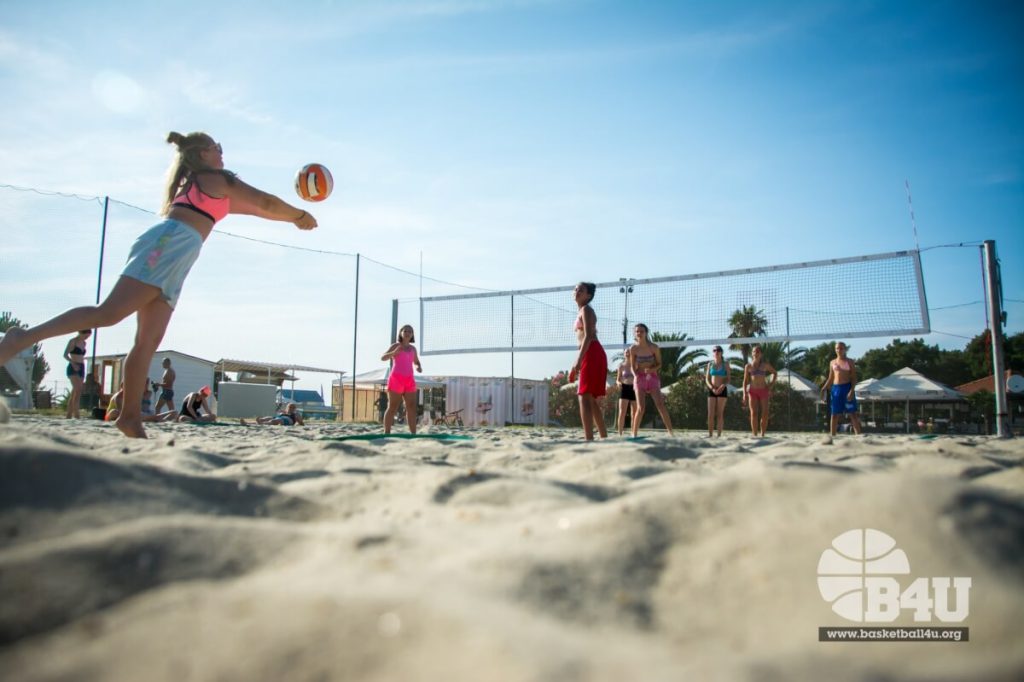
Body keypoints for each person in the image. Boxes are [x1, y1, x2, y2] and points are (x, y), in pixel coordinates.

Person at [0, 132, 317, 439]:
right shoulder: (214, 178)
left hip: (178, 253)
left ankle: (129, 418)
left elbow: (259, 207)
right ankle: (22, 338)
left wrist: (293, 218)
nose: (222, 151)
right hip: (167, 245)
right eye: (216, 146)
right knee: (109, 313)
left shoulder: (212, 189)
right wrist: (299, 213)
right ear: (202, 153)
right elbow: (264, 200)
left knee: (146, 342)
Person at [570, 282, 608, 441]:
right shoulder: (581, 311)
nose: (577, 291)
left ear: (589, 296)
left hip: (591, 351)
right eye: (576, 289)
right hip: (590, 352)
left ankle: (588, 439)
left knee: (583, 396)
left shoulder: (586, 310)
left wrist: (578, 361)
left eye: (581, 290)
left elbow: (589, 336)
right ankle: (603, 437)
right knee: (590, 399)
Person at [629, 323, 673, 438]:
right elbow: (632, 366)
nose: (639, 333)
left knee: (660, 405)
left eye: (641, 331)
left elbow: (659, 364)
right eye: (637, 331)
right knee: (640, 407)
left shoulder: (653, 347)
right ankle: (634, 434)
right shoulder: (633, 348)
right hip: (640, 378)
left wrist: (651, 369)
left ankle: (671, 432)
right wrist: (635, 375)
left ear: (646, 333)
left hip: (652, 377)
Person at [381, 325, 422, 434]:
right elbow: (383, 357)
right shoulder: (396, 345)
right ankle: (387, 432)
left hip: (409, 379)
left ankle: (413, 433)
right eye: (405, 331)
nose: (408, 333)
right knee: (393, 406)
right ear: (401, 333)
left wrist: (418, 367)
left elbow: (416, 361)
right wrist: (393, 353)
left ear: (412, 334)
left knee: (411, 407)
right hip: (396, 378)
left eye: (410, 331)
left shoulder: (413, 349)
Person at [819, 341, 862, 436]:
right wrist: (823, 388)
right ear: (835, 350)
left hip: (846, 387)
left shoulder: (850, 361)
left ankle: (859, 436)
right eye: (837, 348)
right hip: (836, 389)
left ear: (845, 350)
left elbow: (854, 378)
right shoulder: (832, 362)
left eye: (841, 348)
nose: (839, 350)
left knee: (852, 414)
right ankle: (832, 436)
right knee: (834, 414)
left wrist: (852, 390)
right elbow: (830, 378)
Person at [742, 345, 777, 437]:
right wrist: (744, 393)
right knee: (753, 413)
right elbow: (745, 381)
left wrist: (771, 385)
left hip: (763, 391)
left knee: (765, 413)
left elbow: (775, 373)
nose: (756, 353)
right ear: (752, 354)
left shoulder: (765, 365)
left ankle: (762, 434)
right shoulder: (748, 366)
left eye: (758, 351)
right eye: (754, 351)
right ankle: (754, 435)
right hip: (752, 391)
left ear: (761, 354)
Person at [63, 329, 91, 419]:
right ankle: (76, 413)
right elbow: (65, 355)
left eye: (88, 336)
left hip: (81, 367)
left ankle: (69, 414)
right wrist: (73, 363)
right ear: (80, 333)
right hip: (73, 366)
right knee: (78, 389)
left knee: (75, 391)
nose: (87, 338)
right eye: (86, 335)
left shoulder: (84, 343)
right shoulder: (73, 341)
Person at [705, 345, 731, 437]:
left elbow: (728, 378)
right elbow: (707, 379)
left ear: (721, 352)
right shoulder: (710, 364)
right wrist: (711, 388)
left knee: (719, 413)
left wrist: (723, 386)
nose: (716, 352)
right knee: (710, 414)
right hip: (712, 389)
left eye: (719, 350)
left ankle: (719, 435)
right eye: (715, 350)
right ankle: (710, 434)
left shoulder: (725, 364)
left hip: (722, 389)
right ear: (713, 353)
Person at [615, 347, 637, 436]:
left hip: (634, 388)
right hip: (624, 388)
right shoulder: (621, 366)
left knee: (634, 412)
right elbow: (617, 379)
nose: (627, 353)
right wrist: (618, 383)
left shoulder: (635, 365)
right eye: (626, 352)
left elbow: (639, 375)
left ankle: (633, 432)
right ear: (624, 354)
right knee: (622, 412)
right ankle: (620, 433)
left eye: (629, 352)